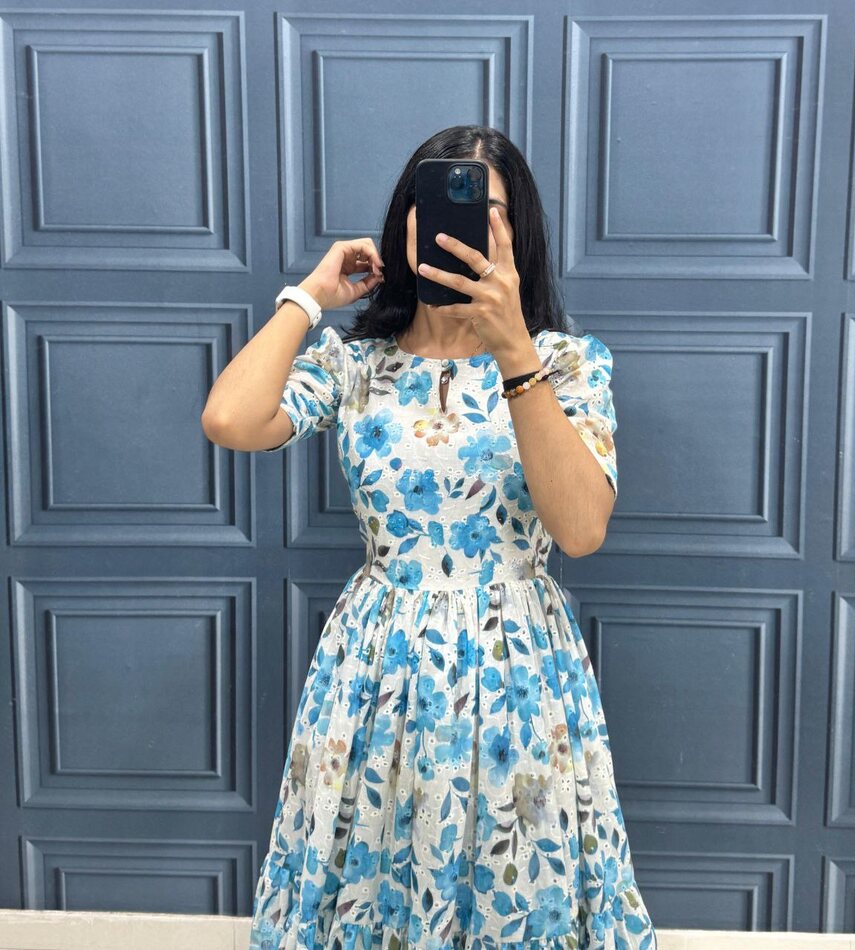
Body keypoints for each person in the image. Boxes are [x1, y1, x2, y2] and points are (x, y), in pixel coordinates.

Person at [202, 125, 657, 950]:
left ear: (516, 231)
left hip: (517, 664)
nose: (454, 224)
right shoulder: (357, 364)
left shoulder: (565, 364)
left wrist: (512, 349)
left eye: (485, 208)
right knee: (380, 868)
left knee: (512, 871)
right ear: (404, 221)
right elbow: (231, 419)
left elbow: (581, 529)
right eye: (432, 201)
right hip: (378, 666)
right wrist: (309, 296)